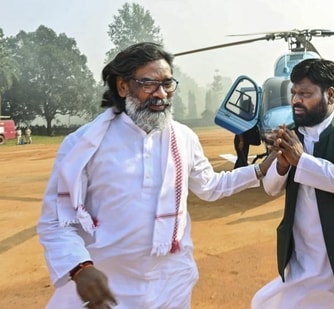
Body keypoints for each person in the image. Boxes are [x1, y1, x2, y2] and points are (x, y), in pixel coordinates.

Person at [37, 42, 273, 309]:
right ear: (123, 86)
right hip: (105, 288)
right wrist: (80, 269)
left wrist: (260, 170)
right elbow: (56, 222)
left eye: (168, 84)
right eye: (149, 84)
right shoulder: (83, 145)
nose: (161, 94)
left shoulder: (183, 137)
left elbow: (209, 185)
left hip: (171, 284)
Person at [251, 58, 334, 308]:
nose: (296, 100)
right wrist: (282, 165)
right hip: (302, 261)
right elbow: (271, 188)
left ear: (330, 95)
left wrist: (301, 160)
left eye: (305, 94)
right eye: (294, 93)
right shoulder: (291, 134)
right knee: (263, 303)